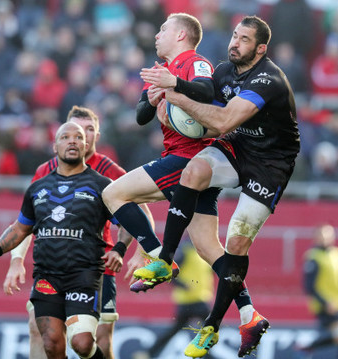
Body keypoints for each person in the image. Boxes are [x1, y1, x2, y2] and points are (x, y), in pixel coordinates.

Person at [132, 15, 300, 357]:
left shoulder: (269, 80)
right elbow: (212, 127)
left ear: (261, 48)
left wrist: (176, 97)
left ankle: (213, 326)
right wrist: (180, 123)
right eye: (234, 36)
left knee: (236, 241)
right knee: (192, 172)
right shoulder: (223, 71)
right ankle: (164, 258)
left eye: (243, 40)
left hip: (270, 166)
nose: (234, 43)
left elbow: (223, 119)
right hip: (238, 147)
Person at [101, 13, 267, 357]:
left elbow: (205, 90)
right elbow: (140, 116)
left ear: (180, 35)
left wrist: (173, 86)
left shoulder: (195, 62)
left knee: (112, 193)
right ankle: (249, 313)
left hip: (188, 160)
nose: (157, 34)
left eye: (163, 29)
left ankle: (160, 255)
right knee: (209, 248)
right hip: (196, 168)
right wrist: (154, 94)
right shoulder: (163, 71)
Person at [0, 122, 132, 359]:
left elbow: (127, 223)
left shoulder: (102, 186)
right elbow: (20, 228)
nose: (73, 141)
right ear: (55, 146)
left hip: (83, 275)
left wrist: (119, 249)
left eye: (78, 137)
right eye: (65, 137)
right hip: (47, 276)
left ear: (86, 145)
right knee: (52, 345)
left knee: (82, 343)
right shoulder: (37, 188)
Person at [2, 106, 148, 359]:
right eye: (73, 132)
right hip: (52, 268)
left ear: (96, 135)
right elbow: (25, 223)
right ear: (60, 136)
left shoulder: (110, 172)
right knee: (39, 330)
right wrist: (16, 261)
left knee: (97, 339)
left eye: (88, 130)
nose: (80, 136)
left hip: (96, 267)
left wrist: (140, 252)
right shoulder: (44, 171)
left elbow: (140, 215)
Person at [132, 237, 214, 359]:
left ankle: (148, 353)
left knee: (177, 330)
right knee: (211, 328)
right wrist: (183, 285)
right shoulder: (187, 250)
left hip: (199, 298)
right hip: (191, 300)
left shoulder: (203, 252)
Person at [298, 224, 338, 359]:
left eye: (329, 234)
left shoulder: (336, 252)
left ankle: (308, 347)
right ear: (316, 237)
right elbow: (308, 286)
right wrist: (324, 302)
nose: (326, 238)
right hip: (326, 306)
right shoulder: (313, 257)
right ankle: (306, 347)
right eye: (322, 235)